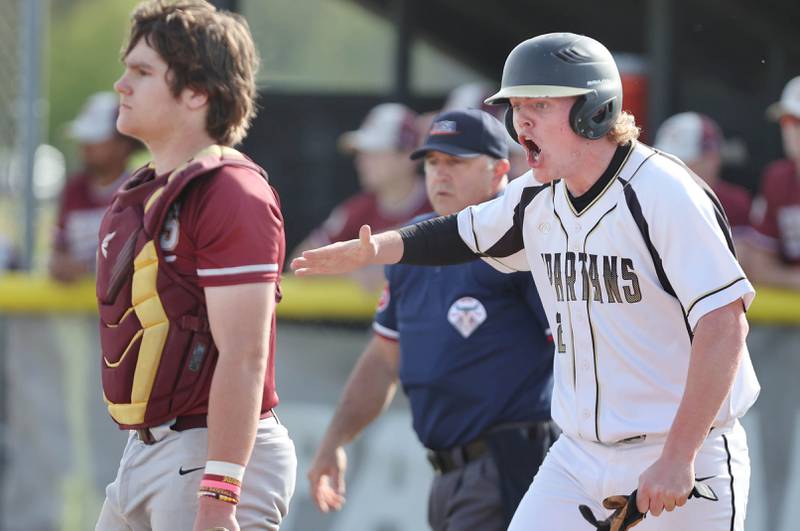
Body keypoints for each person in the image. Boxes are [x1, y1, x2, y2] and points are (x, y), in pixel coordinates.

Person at [293, 32, 760, 531]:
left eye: (539, 103)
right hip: (578, 458)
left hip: (681, 452)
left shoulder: (663, 192)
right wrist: (375, 249)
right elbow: (460, 233)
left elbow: (723, 325)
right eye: (516, 106)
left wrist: (678, 454)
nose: (521, 122)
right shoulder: (538, 195)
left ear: (594, 110)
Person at [95, 2, 296, 530]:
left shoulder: (231, 191)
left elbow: (245, 354)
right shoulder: (146, 188)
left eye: (142, 72)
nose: (122, 85)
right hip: (150, 453)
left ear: (197, 92)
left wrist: (221, 493)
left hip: (208, 455)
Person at [307, 109, 557, 530]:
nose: (440, 174)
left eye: (455, 162)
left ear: (500, 168)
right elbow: (383, 359)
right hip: (447, 474)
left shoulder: (522, 239)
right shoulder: (412, 244)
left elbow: (575, 348)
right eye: (432, 163)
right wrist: (334, 440)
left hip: (512, 464)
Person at [292, 102, 431, 290]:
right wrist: (356, 269)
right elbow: (300, 262)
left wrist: (388, 265)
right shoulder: (356, 209)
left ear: (409, 156)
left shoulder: (441, 202)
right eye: (362, 153)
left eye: (374, 152)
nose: (361, 161)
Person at [50, 91, 139, 282]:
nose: (85, 145)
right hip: (77, 308)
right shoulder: (73, 189)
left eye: (95, 139)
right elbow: (58, 247)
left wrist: (88, 269)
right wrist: (60, 263)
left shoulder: (139, 191)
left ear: (123, 144)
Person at [743, 75, 800, 290]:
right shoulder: (777, 178)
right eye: (787, 121)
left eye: (799, 122)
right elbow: (758, 266)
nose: (792, 130)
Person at [653, 112, 752, 233]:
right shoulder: (650, 200)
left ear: (712, 160)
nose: (669, 170)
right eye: (663, 163)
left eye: (683, 163)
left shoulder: (733, 205)